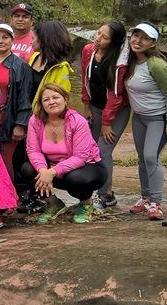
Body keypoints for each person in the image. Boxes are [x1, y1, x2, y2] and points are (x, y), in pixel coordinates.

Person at [22, 85, 106, 224]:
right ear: (41, 104)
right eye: (46, 99)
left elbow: (80, 157)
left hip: (88, 167)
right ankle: (53, 203)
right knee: (28, 169)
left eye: (56, 97)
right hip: (52, 166)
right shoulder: (35, 121)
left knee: (75, 178)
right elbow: (33, 150)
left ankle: (86, 204)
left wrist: (53, 172)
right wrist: (43, 170)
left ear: (65, 100)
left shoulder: (78, 121)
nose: (52, 102)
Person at [124, 22, 167, 221]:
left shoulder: (157, 65)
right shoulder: (130, 60)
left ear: (153, 43)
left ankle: (156, 203)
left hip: (158, 119)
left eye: (144, 38)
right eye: (135, 35)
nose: (138, 41)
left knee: (150, 157)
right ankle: (145, 198)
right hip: (139, 118)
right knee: (142, 158)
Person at [79, 21, 130, 210]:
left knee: (103, 150)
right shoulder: (88, 51)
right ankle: (98, 189)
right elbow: (85, 79)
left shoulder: (119, 62)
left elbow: (116, 95)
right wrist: (86, 106)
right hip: (95, 107)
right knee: (91, 150)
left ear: (114, 43)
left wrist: (107, 123)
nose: (98, 38)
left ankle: (106, 195)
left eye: (104, 37)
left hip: (117, 111)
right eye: (98, 33)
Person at [0, 24, 33, 182]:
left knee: (4, 161)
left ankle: (9, 200)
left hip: (8, 119)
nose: (0, 41)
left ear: (12, 40)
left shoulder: (20, 66)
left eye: (5, 37)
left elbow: (24, 97)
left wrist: (20, 124)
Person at [28, 20, 75, 113]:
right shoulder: (34, 57)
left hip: (43, 116)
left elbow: (61, 101)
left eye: (33, 38)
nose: (30, 42)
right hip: (27, 113)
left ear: (43, 40)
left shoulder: (61, 68)